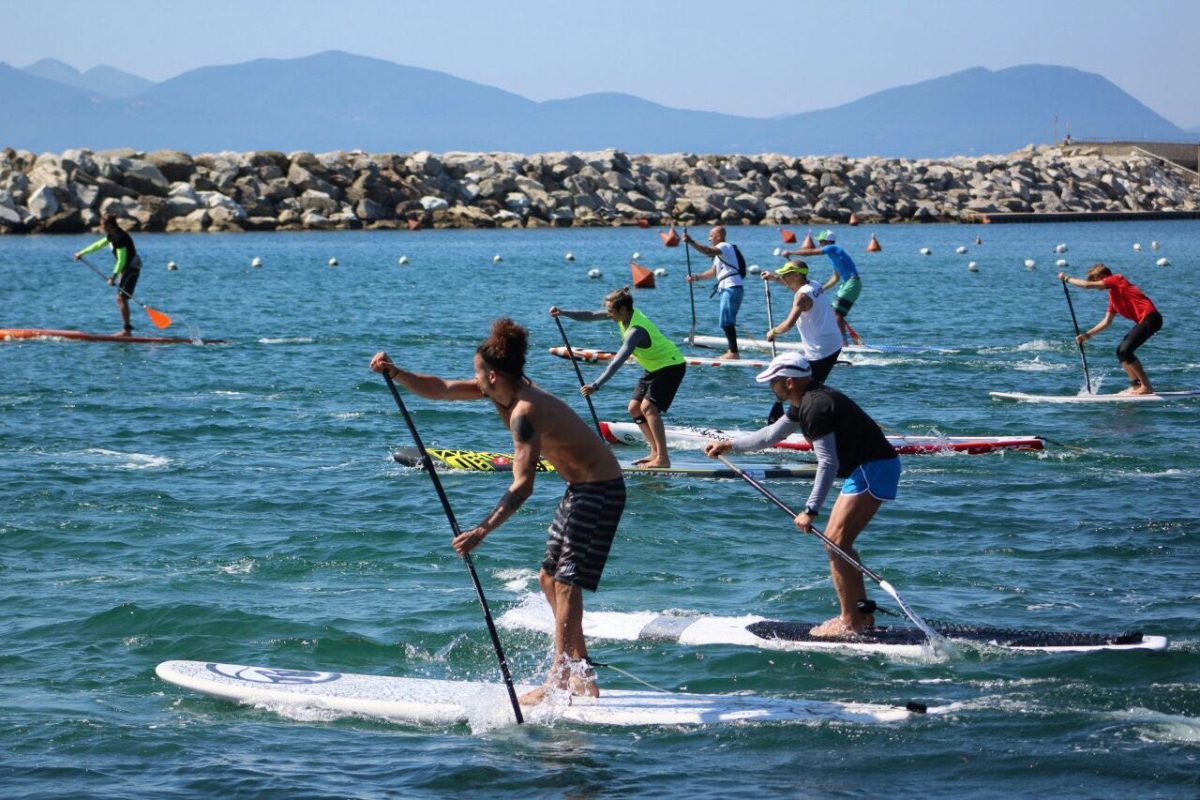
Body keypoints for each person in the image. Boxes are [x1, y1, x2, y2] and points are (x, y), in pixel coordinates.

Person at [369, 318, 626, 704]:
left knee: (567, 582)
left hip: (600, 489)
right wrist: (397, 372)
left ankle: (559, 678)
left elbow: (523, 486)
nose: (473, 379)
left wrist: (481, 531)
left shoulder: (525, 410)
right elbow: (441, 389)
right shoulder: (499, 391)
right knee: (547, 578)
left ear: (492, 375)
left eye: (476, 372)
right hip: (580, 488)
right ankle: (582, 671)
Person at [703, 353, 899, 638]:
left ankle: (850, 623)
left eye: (774, 382)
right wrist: (730, 445)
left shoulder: (816, 407)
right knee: (838, 543)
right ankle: (861, 616)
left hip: (874, 469)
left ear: (790, 382)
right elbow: (770, 435)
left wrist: (811, 509)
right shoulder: (804, 402)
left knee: (835, 542)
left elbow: (828, 462)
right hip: (870, 468)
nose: (772, 387)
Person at [551, 288, 686, 467]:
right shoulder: (624, 315)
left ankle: (663, 458)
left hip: (671, 366)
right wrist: (563, 313)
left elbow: (617, 361)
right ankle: (654, 452)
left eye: (611, 312)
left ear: (623, 310)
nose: (609, 315)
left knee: (649, 407)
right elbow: (590, 315)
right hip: (653, 367)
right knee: (634, 408)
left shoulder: (635, 331)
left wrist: (596, 384)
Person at [761, 259, 845, 422]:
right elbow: (795, 288)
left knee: (801, 390)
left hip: (820, 351)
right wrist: (774, 278)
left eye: (786, 274)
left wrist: (774, 331)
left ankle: (787, 423)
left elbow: (789, 323)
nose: (783, 276)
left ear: (797, 276)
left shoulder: (801, 297)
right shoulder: (814, 284)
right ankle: (800, 417)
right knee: (808, 387)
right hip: (833, 344)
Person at [1058, 264, 1163, 395]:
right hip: (1145, 321)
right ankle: (1136, 385)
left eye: (1096, 280)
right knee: (1120, 351)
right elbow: (1107, 322)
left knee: (1126, 350)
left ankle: (1146, 386)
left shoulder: (1117, 279)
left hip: (1151, 318)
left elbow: (1086, 285)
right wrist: (1087, 335)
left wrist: (1066, 278)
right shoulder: (1113, 297)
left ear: (1102, 277)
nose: (1096, 286)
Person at [786, 229, 862, 346]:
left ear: (826, 241)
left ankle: (843, 343)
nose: (819, 244)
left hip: (852, 284)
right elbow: (835, 279)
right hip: (850, 284)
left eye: (820, 241)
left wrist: (791, 252)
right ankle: (852, 340)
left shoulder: (833, 248)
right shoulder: (834, 257)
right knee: (835, 312)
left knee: (837, 314)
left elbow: (811, 252)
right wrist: (822, 288)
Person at [682, 225, 745, 359]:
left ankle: (733, 352)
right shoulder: (719, 254)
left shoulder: (724, 246)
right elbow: (712, 272)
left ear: (719, 236)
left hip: (731, 287)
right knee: (725, 321)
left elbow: (706, 251)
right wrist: (695, 277)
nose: (708, 238)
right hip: (729, 288)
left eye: (711, 235)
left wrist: (691, 242)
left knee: (726, 321)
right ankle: (733, 351)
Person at [73, 214, 142, 336]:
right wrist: (82, 253)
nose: (101, 227)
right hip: (125, 269)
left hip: (131, 268)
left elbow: (121, 259)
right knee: (121, 298)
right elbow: (98, 245)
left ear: (109, 225)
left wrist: (113, 277)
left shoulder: (120, 237)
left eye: (102, 224)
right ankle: (127, 329)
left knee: (121, 298)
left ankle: (127, 331)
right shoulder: (112, 235)